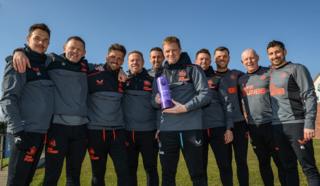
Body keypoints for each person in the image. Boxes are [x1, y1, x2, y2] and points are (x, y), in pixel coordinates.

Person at [12, 36, 89, 186]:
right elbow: (33, 56)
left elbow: (106, 70)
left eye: (79, 49)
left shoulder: (87, 67)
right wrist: (18, 52)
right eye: (72, 48)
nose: (75, 51)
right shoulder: (51, 60)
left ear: (84, 52)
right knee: (52, 176)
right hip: (57, 129)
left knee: (74, 176)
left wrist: (121, 71)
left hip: (81, 130)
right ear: (64, 48)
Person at [152, 36, 210, 186]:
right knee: (167, 175)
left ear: (180, 50)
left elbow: (205, 95)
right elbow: (153, 101)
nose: (170, 54)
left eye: (174, 50)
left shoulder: (193, 69)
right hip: (167, 132)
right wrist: (157, 100)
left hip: (190, 129)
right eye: (167, 51)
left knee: (197, 174)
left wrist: (184, 108)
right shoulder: (159, 73)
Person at [0, 23, 54, 186]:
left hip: (40, 134)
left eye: (45, 40)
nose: (41, 43)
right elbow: (8, 99)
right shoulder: (19, 62)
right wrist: (18, 131)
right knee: (17, 181)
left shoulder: (47, 64)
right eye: (37, 38)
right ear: (28, 39)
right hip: (24, 133)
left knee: (27, 180)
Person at [267, 40, 320, 186]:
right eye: (271, 54)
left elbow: (309, 96)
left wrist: (309, 124)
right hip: (277, 127)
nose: (274, 56)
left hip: (297, 125)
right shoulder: (268, 74)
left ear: (284, 52)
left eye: (277, 52)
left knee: (308, 168)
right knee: (287, 168)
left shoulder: (297, 68)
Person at [238, 48, 286, 186]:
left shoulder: (270, 72)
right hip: (254, 128)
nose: (249, 61)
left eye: (252, 57)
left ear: (257, 57)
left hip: (272, 125)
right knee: (263, 163)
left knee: (280, 162)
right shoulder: (241, 80)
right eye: (246, 59)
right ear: (242, 62)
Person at [86, 43, 130, 186]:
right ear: (106, 56)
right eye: (112, 56)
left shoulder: (124, 79)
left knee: (124, 172)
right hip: (95, 133)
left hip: (117, 133)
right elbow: (75, 60)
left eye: (119, 58)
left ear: (123, 61)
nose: (115, 60)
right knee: (98, 174)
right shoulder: (92, 73)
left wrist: (123, 71)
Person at [194, 48, 233, 186]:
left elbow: (227, 104)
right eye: (201, 59)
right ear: (196, 61)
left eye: (206, 59)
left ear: (210, 61)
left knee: (225, 166)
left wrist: (229, 128)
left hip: (218, 128)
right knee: (200, 168)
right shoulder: (190, 80)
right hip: (198, 129)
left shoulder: (217, 79)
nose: (203, 61)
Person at [213, 46, 249, 186]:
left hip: (239, 124)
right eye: (219, 56)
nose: (222, 58)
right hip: (220, 126)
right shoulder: (209, 77)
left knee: (241, 162)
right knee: (225, 165)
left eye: (224, 56)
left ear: (229, 57)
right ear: (214, 58)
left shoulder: (237, 75)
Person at [123, 51, 159, 186]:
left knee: (151, 168)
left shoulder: (152, 80)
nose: (135, 62)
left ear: (143, 63)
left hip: (148, 132)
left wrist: (159, 127)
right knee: (130, 169)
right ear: (128, 63)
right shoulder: (122, 79)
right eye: (132, 60)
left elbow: (159, 106)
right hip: (128, 132)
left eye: (138, 60)